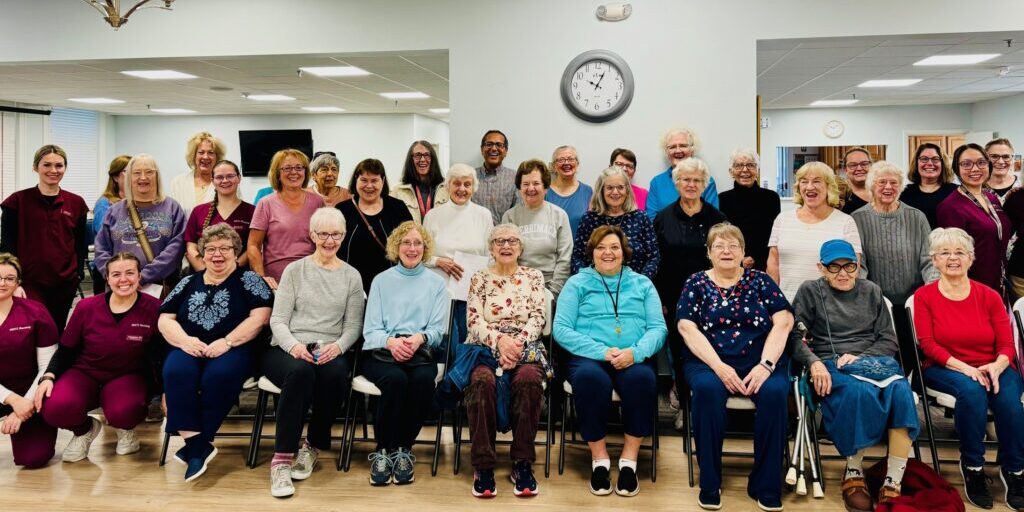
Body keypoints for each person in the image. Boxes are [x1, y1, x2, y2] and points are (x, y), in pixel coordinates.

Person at [790, 239, 919, 511]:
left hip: (871, 361)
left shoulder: (872, 291)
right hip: (829, 362)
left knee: (901, 392)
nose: (843, 273)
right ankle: (853, 471)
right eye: (834, 267)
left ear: (858, 265)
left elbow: (888, 339)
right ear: (821, 268)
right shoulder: (810, 291)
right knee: (858, 391)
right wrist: (814, 363)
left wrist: (862, 357)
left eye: (849, 266)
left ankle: (893, 480)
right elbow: (795, 338)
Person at [676, 223, 793, 511]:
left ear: (743, 252)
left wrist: (766, 365)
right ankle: (710, 481)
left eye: (733, 246)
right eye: (719, 246)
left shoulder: (761, 281)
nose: (726, 251)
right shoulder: (696, 283)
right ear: (709, 252)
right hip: (708, 361)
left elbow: (784, 321)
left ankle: (766, 484)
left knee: (776, 393)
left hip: (760, 360)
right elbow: (686, 327)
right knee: (706, 391)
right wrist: (719, 367)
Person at [913, 227, 1024, 511]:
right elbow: (927, 344)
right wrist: (966, 368)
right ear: (934, 260)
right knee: (972, 391)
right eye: (945, 253)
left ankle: (1014, 471)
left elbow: (1007, 345)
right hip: (944, 366)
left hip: (993, 365)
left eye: (960, 252)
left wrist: (997, 366)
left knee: (1010, 401)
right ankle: (973, 466)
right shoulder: (925, 297)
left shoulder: (989, 295)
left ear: (971, 258)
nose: (953, 258)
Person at [555, 225, 667, 497]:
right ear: (592, 253)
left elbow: (658, 328)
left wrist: (635, 353)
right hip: (589, 357)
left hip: (633, 355)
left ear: (624, 252)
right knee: (590, 380)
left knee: (642, 379)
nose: (608, 253)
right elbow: (561, 328)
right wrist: (603, 352)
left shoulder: (642, 283)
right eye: (601, 248)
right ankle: (600, 460)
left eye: (614, 247)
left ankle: (629, 461)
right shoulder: (577, 283)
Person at [160, 224, 273, 482]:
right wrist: (185, 341)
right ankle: (198, 446)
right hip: (190, 345)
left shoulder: (249, 280)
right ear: (202, 254)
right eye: (210, 249)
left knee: (219, 375)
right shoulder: (188, 281)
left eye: (225, 248)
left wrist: (228, 341)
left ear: (236, 252)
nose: (217, 254)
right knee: (176, 371)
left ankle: (196, 447)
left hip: (236, 347)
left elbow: (261, 317)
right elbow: (165, 318)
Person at [264, 207, 364, 498]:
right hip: (287, 347)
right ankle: (282, 459)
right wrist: (295, 346)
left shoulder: (351, 276)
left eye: (335, 234)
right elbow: (278, 320)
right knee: (300, 371)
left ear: (343, 236)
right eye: (323, 234)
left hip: (330, 347)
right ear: (312, 235)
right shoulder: (295, 271)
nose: (329, 240)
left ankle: (312, 446)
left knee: (335, 375)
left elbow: (354, 325)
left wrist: (339, 347)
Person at [36, 253, 161, 463]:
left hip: (127, 375)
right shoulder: (86, 308)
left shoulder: (154, 308)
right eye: (116, 274)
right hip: (85, 372)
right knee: (55, 407)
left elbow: (161, 355)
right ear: (107, 278)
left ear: (140, 276)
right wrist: (49, 376)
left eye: (130, 273)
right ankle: (84, 430)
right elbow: (66, 349)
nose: (124, 279)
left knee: (125, 410)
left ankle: (125, 429)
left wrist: (165, 391)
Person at [464, 223, 548, 498]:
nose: (506, 246)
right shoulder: (479, 278)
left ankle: (522, 463)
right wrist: (500, 343)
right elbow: (474, 320)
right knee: (481, 382)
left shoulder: (534, 276)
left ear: (521, 248)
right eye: (499, 241)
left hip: (525, 346)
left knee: (529, 380)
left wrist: (516, 344)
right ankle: (483, 465)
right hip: (486, 347)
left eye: (512, 241)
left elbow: (538, 317)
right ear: (491, 248)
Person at [361, 221, 447, 486]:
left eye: (417, 243)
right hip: (382, 351)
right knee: (396, 381)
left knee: (422, 381)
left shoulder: (436, 283)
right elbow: (370, 330)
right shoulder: (380, 281)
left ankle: (404, 450)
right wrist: (392, 343)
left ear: (425, 248)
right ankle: (384, 451)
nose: (412, 248)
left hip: (420, 349)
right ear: (396, 247)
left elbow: (437, 329)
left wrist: (418, 338)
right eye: (406, 243)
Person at [653, 157, 726, 396]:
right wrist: (660, 299)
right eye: (686, 179)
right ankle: (683, 404)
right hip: (673, 295)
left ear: (704, 184)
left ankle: (707, 401)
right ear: (677, 183)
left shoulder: (717, 219)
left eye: (697, 180)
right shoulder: (663, 218)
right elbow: (657, 261)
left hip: (711, 296)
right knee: (678, 347)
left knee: (711, 348)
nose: (691, 184)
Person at [851, 161, 936, 357]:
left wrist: (928, 293)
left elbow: (930, 259)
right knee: (883, 353)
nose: (888, 187)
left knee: (914, 353)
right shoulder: (858, 218)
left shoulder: (917, 217)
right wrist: (866, 296)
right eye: (882, 182)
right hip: (875, 303)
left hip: (914, 301)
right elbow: (858, 264)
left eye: (894, 182)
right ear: (872, 185)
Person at [0, 145, 87, 330]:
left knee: (57, 329)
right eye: (46, 165)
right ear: (35, 167)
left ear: (65, 168)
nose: (53, 170)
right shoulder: (17, 202)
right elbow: (7, 246)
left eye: (59, 165)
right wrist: (14, 282)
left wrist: (78, 274)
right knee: (30, 329)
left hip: (64, 283)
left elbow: (80, 244)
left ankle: (53, 361)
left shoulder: (76, 203)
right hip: (29, 282)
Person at [94, 153, 187, 297]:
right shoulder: (114, 211)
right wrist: (116, 277)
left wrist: (143, 277)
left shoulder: (172, 208)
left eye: (149, 172)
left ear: (157, 176)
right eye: (136, 173)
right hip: (121, 288)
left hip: (161, 289)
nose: (143, 177)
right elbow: (101, 249)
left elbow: (175, 249)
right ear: (129, 178)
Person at [767, 162, 862, 301]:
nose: (810, 187)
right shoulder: (782, 219)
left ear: (829, 186)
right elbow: (773, 263)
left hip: (829, 305)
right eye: (804, 181)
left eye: (817, 181)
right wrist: (773, 301)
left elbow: (853, 267)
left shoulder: (845, 222)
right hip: (786, 303)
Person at [422, 164, 493, 344]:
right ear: (448, 186)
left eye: (467, 184)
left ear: (473, 187)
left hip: (471, 291)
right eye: (457, 184)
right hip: (440, 290)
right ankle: (443, 372)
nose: (462, 189)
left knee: (466, 338)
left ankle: (461, 371)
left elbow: (491, 256)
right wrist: (439, 261)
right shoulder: (432, 215)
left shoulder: (483, 215)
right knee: (444, 340)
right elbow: (421, 255)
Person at [0, 254, 58, 469]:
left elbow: (46, 367)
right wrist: (12, 401)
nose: (2, 283)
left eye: (9, 278)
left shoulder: (35, 312)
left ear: (18, 283)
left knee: (32, 458)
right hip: (8, 395)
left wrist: (23, 406)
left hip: (31, 393)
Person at [936, 143, 1010, 298]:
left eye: (981, 162)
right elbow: (952, 257)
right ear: (957, 168)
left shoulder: (990, 197)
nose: (975, 169)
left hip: (999, 282)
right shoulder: (950, 207)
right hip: (972, 288)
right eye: (966, 164)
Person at [247, 149, 325, 290]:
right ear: (278, 173)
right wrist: (262, 278)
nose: (293, 172)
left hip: (312, 278)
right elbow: (253, 245)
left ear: (305, 172)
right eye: (287, 168)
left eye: (298, 167)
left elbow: (326, 241)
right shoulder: (266, 203)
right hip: (277, 282)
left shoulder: (318, 202)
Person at [337, 158, 414, 293]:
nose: (369, 186)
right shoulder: (342, 210)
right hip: (350, 286)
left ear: (383, 181)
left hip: (392, 285)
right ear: (356, 180)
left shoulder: (397, 208)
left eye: (374, 180)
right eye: (364, 180)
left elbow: (411, 242)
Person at [571, 166, 659, 278]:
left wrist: (640, 282)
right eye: (610, 188)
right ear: (601, 190)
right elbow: (577, 258)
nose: (615, 192)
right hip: (595, 288)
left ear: (627, 190)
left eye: (620, 187)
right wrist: (589, 282)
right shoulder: (589, 219)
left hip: (634, 288)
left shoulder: (641, 218)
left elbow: (653, 257)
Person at [501, 159, 572, 298]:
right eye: (525, 184)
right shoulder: (510, 217)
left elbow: (565, 258)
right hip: (517, 288)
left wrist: (552, 293)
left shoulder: (559, 215)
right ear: (519, 188)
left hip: (551, 288)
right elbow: (504, 256)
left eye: (536, 183)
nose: (530, 188)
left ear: (546, 187)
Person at [718, 148, 781, 271]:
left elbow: (774, 235)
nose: (745, 170)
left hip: (765, 263)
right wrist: (740, 258)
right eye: (739, 165)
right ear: (731, 171)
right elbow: (722, 235)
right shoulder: (722, 199)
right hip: (731, 262)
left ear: (757, 170)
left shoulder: (771, 198)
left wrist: (755, 257)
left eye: (750, 165)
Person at [184, 160, 254, 271]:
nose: (225, 181)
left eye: (230, 176)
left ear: (239, 178)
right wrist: (207, 272)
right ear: (212, 181)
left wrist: (230, 271)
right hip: (203, 275)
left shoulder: (252, 211)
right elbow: (191, 247)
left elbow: (253, 247)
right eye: (219, 177)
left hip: (238, 275)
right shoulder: (198, 211)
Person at [646, 128, 719, 220]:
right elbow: (652, 218)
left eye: (683, 146)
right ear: (667, 153)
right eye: (672, 147)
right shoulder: (657, 182)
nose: (678, 150)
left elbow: (712, 217)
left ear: (692, 150)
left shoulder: (706, 180)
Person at [89, 155, 131, 294]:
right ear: (115, 177)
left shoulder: (139, 203)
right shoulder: (105, 204)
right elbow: (106, 238)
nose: (133, 175)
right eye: (127, 171)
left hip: (131, 269)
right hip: (107, 268)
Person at [168, 131, 227, 217]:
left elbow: (235, 212)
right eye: (201, 152)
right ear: (194, 155)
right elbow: (171, 217)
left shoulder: (227, 182)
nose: (205, 157)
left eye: (210, 152)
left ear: (217, 157)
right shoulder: (178, 183)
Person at [900, 143, 957, 230]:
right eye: (924, 159)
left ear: (943, 163)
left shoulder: (956, 191)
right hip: (914, 243)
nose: (930, 163)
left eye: (935, 159)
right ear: (916, 163)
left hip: (947, 243)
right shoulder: (904, 193)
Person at [392, 140, 449, 222]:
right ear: (411, 160)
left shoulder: (446, 189)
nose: (422, 159)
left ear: (433, 159)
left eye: (427, 155)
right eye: (418, 155)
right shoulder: (397, 192)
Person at [546, 145, 593, 237]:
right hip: (551, 250)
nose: (566, 163)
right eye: (561, 160)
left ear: (577, 163)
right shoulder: (545, 192)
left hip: (580, 249)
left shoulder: (588, 191)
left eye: (571, 159)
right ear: (554, 166)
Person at [475, 130, 518, 224]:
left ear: (506, 151)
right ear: (482, 149)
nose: (494, 148)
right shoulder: (470, 177)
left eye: (499, 145)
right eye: (489, 144)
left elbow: (518, 214)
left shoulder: (515, 178)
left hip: (505, 237)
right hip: (474, 235)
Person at [840, 147, 872, 214]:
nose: (859, 168)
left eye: (864, 164)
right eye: (853, 165)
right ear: (846, 169)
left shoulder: (883, 190)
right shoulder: (840, 196)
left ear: (870, 166)